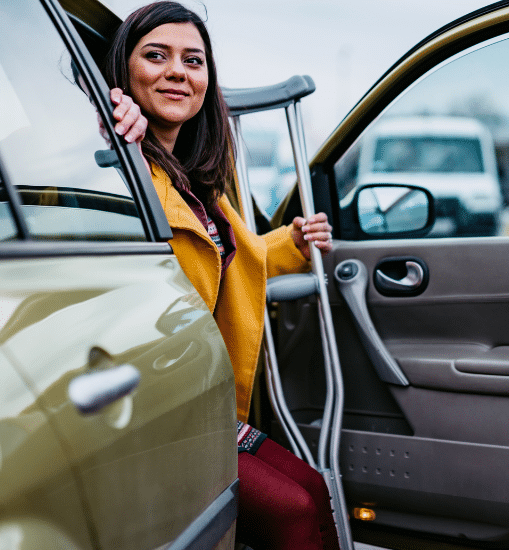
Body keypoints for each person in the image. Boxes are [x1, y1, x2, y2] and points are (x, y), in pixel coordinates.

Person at [103, 3, 339, 549]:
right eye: (155, 56)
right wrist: (118, 139)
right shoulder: (123, 164)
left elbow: (229, 254)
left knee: (312, 486)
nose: (178, 73)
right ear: (123, 74)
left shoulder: (194, 178)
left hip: (203, 403)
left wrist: (293, 242)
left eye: (194, 60)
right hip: (158, 411)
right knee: (293, 511)